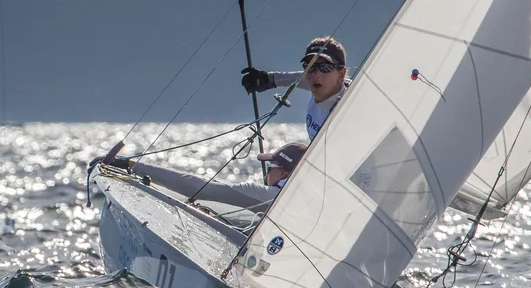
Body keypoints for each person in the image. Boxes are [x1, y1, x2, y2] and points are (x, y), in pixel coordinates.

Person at [94, 142, 307, 214]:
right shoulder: (308, 199)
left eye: (270, 166)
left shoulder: (268, 195)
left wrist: (132, 165)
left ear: (284, 173)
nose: (266, 173)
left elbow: (199, 188)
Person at [241, 36, 351, 141]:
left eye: (325, 67)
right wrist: (267, 79)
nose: (316, 74)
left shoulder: (349, 105)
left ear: (341, 74)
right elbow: (297, 79)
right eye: (309, 66)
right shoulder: (319, 83)